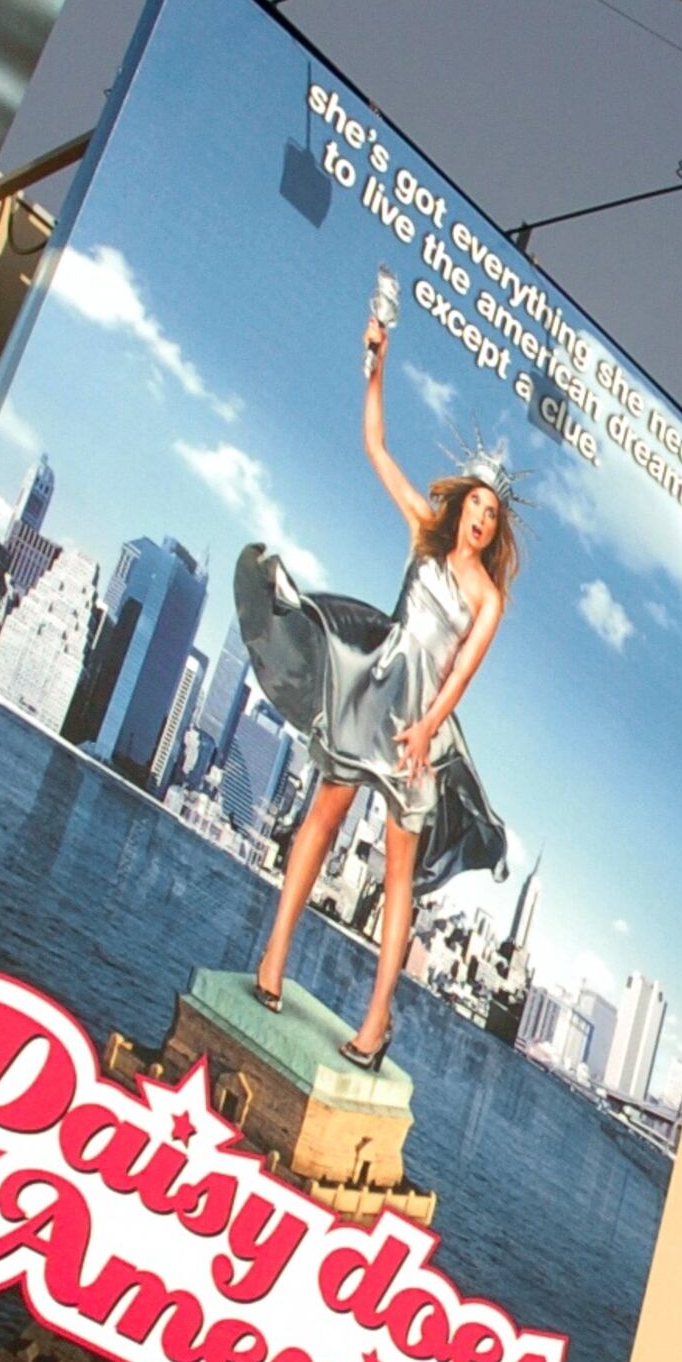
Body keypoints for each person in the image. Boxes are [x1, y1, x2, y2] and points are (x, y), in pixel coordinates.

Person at [244, 281, 513, 1069]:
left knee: (397, 877)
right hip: (372, 689)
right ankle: (272, 960)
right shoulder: (425, 533)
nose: (481, 518)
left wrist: (427, 730)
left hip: (418, 727)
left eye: (493, 515)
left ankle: (376, 1021)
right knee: (321, 818)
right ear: (462, 502)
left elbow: (461, 670)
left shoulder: (488, 597)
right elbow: (375, 447)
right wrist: (377, 363)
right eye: (477, 505)